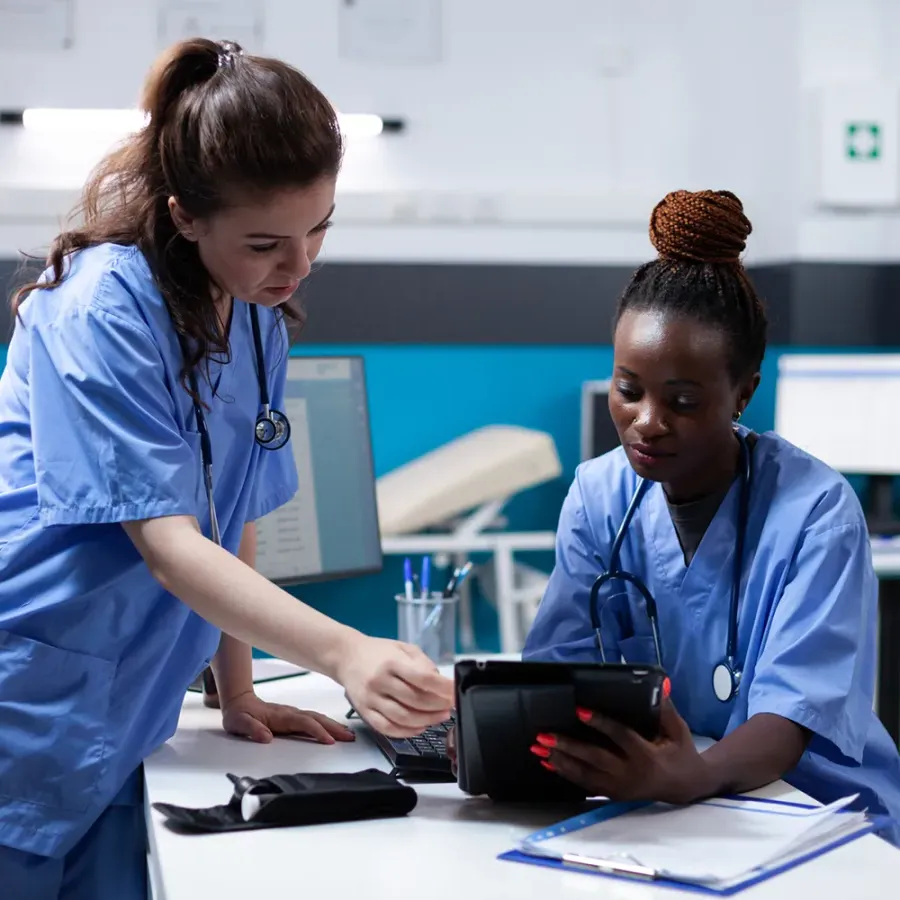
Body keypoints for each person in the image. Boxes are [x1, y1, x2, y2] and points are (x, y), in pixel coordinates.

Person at [0, 38, 454, 898]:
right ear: (184, 216)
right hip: (26, 702)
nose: (300, 265)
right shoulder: (99, 309)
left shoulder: (253, 320)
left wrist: (236, 690)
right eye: (266, 242)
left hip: (123, 712)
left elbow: (230, 512)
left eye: (319, 229)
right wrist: (344, 653)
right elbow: (170, 542)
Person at [521, 189, 900, 845]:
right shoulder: (598, 495)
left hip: (816, 814)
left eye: (684, 400)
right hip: (668, 806)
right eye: (628, 389)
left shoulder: (815, 512)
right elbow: (555, 674)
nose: (646, 422)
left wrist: (685, 777)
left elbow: (788, 721)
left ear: (743, 392)